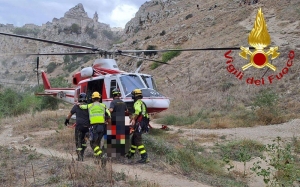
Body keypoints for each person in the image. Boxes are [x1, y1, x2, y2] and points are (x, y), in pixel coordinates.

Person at [80, 91, 111, 165]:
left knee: (92, 144)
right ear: (99, 98)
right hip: (102, 127)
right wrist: (108, 123)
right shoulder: (103, 106)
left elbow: (82, 107)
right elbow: (109, 114)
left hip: (94, 127)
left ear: (92, 99)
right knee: (98, 142)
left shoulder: (90, 105)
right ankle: (97, 160)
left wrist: (78, 104)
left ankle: (102, 156)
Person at [125, 89, 150, 163]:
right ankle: (130, 154)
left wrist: (133, 119)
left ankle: (144, 157)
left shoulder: (137, 103)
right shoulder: (142, 102)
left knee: (138, 140)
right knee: (134, 139)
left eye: (133, 95)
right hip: (143, 123)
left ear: (135, 96)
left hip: (140, 123)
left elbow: (137, 112)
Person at [64, 93, 89, 161]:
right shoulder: (89, 106)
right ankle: (82, 155)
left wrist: (66, 121)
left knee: (78, 142)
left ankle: (80, 157)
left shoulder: (76, 106)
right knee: (84, 142)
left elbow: (70, 114)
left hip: (79, 127)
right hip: (87, 128)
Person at [108, 88, 128, 157]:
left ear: (113, 95)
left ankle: (112, 152)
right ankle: (122, 153)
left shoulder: (113, 102)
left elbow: (111, 110)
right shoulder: (123, 102)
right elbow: (126, 111)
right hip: (122, 120)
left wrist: (106, 112)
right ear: (119, 94)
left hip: (114, 120)